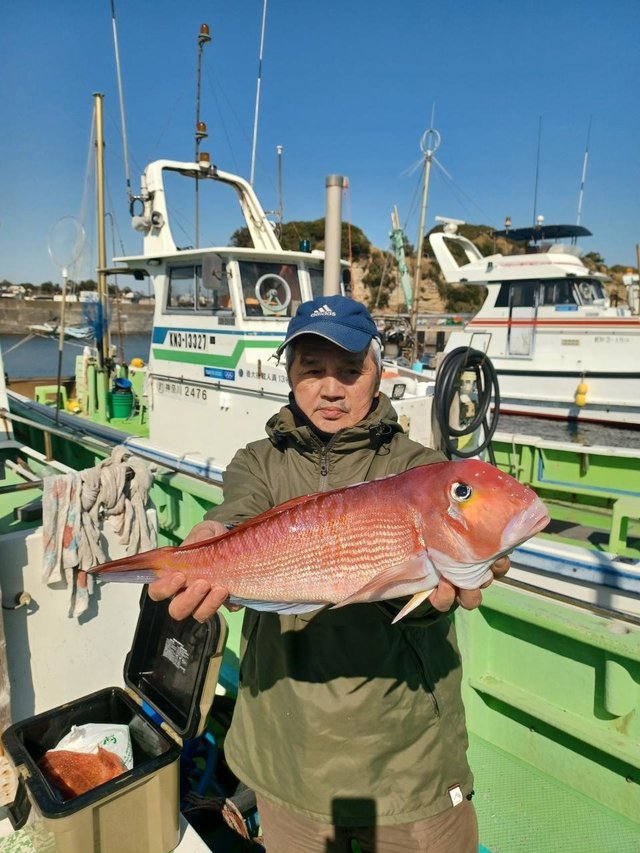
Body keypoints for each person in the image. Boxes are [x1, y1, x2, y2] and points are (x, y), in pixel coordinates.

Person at [149, 294, 510, 852]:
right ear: (290, 374)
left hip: (406, 759)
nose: (332, 388)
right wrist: (213, 536)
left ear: (379, 372)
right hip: (287, 754)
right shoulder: (257, 460)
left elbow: (453, 547)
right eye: (312, 370)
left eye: (349, 370)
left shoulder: (420, 469)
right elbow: (240, 509)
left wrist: (472, 565)